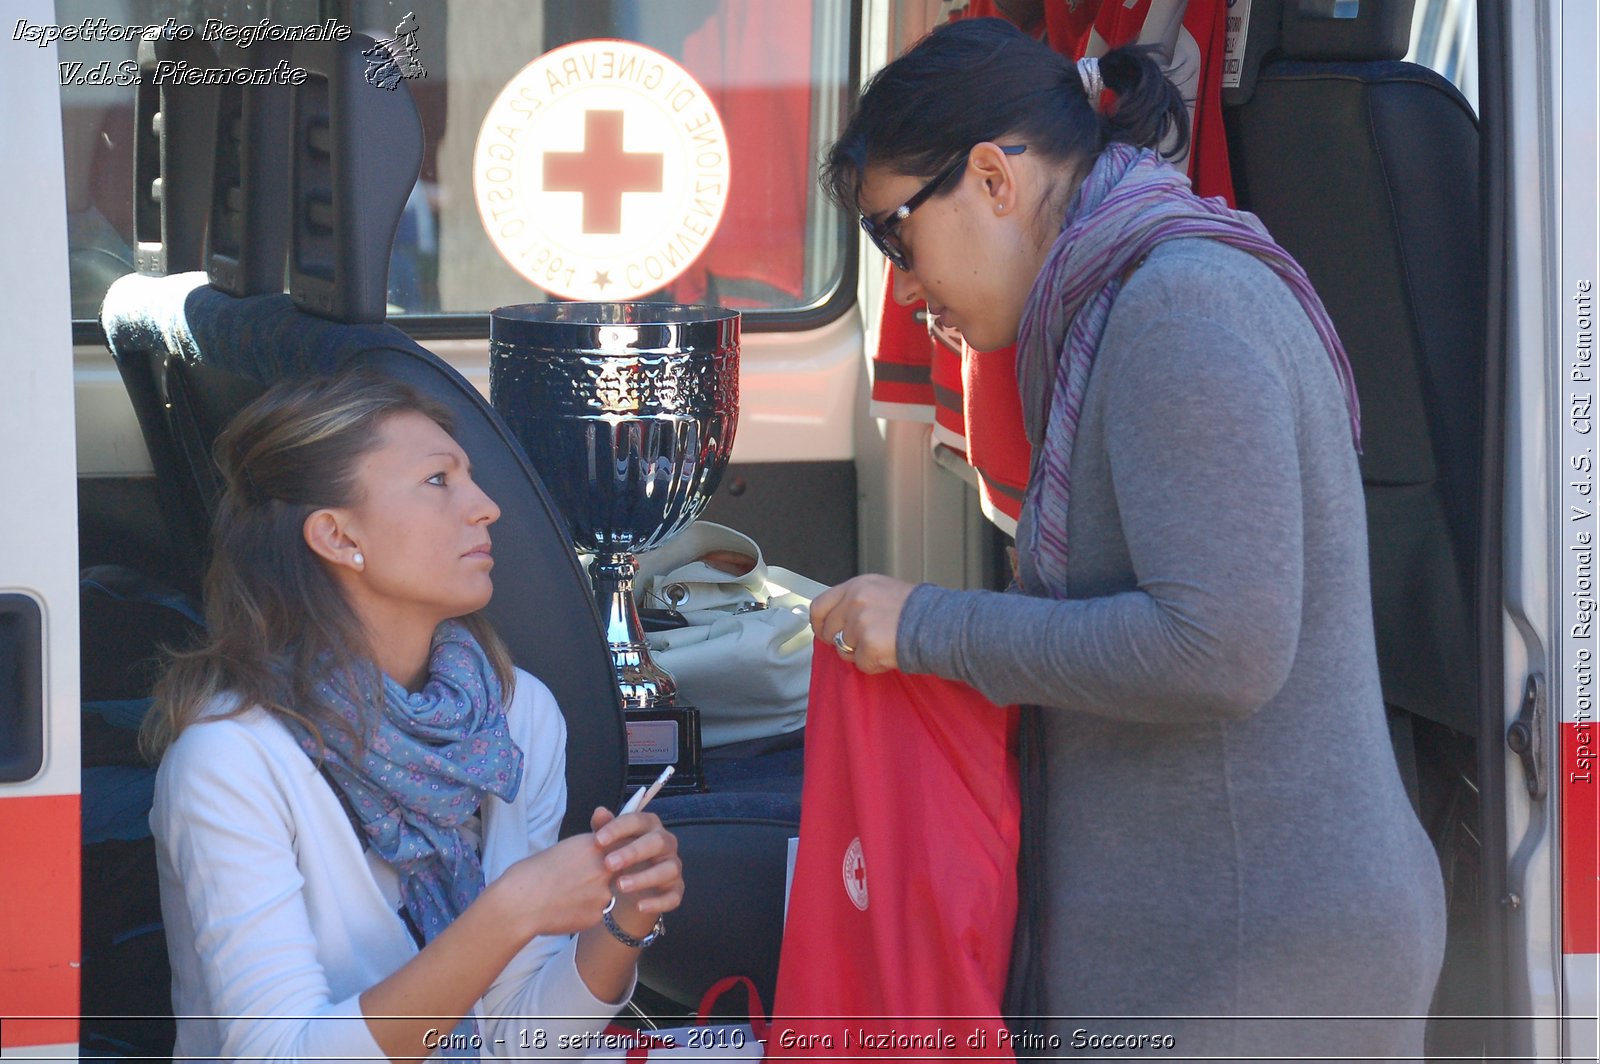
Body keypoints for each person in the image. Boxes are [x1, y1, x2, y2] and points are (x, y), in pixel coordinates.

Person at [810, 18, 1445, 1057]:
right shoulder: (1117, 301)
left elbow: (1219, 648)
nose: (907, 288)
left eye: (896, 234)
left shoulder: (1177, 312)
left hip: (1257, 960)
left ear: (990, 178)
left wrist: (931, 627)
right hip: (1218, 949)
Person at [143, 369, 683, 1061]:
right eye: (439, 481)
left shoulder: (516, 720)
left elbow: (521, 1044)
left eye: (471, 478)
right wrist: (510, 911)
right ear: (337, 536)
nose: (486, 507)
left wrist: (625, 923)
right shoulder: (233, 760)